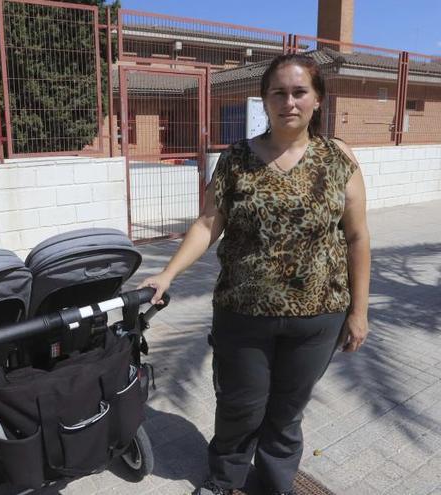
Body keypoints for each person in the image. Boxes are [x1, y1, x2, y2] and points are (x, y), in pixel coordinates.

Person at [139, 53, 370, 495]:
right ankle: (223, 481)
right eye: (278, 93)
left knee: (286, 412)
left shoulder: (339, 157)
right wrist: (166, 275)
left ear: (317, 99)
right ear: (264, 101)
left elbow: (358, 238)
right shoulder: (236, 159)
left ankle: (274, 485)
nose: (289, 102)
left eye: (300, 92)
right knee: (239, 408)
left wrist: (359, 312)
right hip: (243, 315)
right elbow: (208, 224)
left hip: (318, 317)